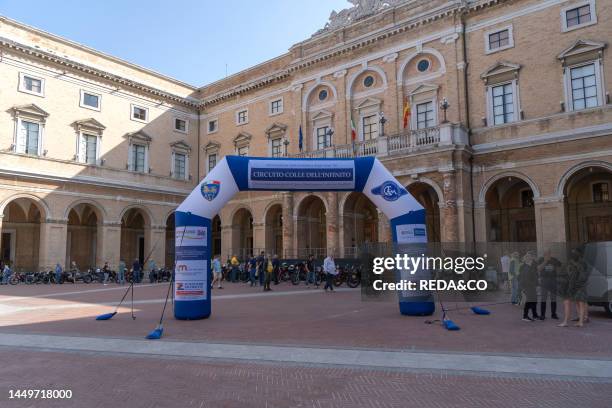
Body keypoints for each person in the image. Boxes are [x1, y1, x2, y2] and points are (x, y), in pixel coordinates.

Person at [558, 249, 589, 328]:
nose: (573, 255)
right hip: (573, 286)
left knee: (580, 303)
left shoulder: (581, 263)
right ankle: (580, 321)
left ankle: (579, 321)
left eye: (574, 253)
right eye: (572, 253)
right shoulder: (571, 263)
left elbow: (582, 276)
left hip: (579, 286)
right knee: (578, 303)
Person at [537, 249, 561, 320]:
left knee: (553, 298)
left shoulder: (554, 259)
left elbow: (560, 265)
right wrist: (545, 261)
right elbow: (538, 269)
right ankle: (542, 315)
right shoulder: (541, 259)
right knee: (543, 298)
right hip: (544, 281)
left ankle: (553, 314)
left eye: (549, 253)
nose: (548, 255)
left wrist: (557, 272)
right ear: (544, 254)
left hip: (553, 281)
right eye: (546, 254)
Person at [519, 251, 539, 321]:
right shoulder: (524, 267)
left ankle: (534, 315)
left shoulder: (533, 265)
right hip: (527, 286)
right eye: (529, 256)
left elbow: (535, 275)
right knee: (529, 300)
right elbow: (523, 278)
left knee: (534, 300)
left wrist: (536, 284)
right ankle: (525, 316)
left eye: (531, 256)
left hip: (532, 286)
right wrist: (522, 288)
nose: (531, 257)